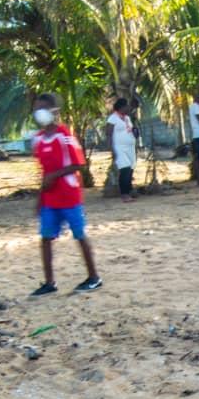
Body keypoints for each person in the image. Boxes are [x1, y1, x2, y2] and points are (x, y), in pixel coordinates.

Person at [29, 93, 102, 295]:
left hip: (69, 196)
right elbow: (43, 172)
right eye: (36, 108)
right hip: (49, 199)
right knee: (45, 239)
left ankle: (94, 277)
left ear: (54, 111)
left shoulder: (65, 135)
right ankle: (49, 282)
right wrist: (39, 197)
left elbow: (79, 163)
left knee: (80, 235)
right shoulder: (38, 140)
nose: (39, 112)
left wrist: (56, 175)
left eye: (42, 108)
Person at [106, 98, 137, 202]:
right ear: (121, 107)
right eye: (126, 106)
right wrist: (111, 150)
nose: (128, 107)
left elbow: (130, 129)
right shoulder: (112, 118)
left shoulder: (127, 118)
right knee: (125, 169)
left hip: (130, 147)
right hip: (119, 147)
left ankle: (129, 190)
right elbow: (108, 134)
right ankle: (124, 194)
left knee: (131, 168)